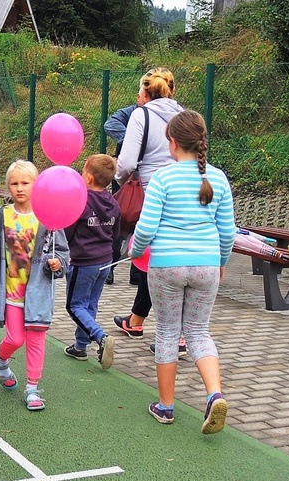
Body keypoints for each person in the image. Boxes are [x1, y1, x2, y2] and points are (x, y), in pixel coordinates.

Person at [131, 110, 235, 434]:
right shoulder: (217, 178)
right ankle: (214, 394)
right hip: (206, 264)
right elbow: (228, 232)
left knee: (167, 332)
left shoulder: (163, 178)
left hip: (167, 266)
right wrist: (221, 262)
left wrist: (133, 251)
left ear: (173, 143)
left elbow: (146, 228)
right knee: (198, 332)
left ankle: (165, 406)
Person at [0, 160, 69, 411]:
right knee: (15, 338)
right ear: (7, 186)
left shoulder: (49, 217)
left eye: (26, 182)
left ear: (37, 185)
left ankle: (32, 388)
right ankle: (1, 360)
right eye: (14, 183)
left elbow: (63, 253)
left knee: (35, 338)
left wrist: (58, 264)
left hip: (38, 293)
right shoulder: (2, 215)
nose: (20, 188)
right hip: (11, 293)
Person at [112, 67, 183, 345]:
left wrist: (120, 181)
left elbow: (127, 162)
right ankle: (137, 319)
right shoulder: (183, 116)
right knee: (158, 257)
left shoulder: (141, 115)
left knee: (158, 260)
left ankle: (176, 336)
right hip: (182, 191)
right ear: (172, 90)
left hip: (151, 192)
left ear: (145, 92)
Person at [63, 154, 121, 369]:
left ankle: (101, 337)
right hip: (105, 261)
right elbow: (116, 233)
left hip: (83, 261)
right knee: (90, 304)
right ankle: (80, 346)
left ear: (87, 177)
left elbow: (67, 230)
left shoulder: (81, 200)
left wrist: (63, 250)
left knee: (74, 305)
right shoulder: (113, 202)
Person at [103, 103, 140, 286]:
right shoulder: (129, 112)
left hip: (145, 178)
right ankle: (109, 269)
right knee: (117, 222)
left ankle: (137, 273)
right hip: (124, 179)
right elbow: (110, 124)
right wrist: (133, 140)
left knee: (141, 221)